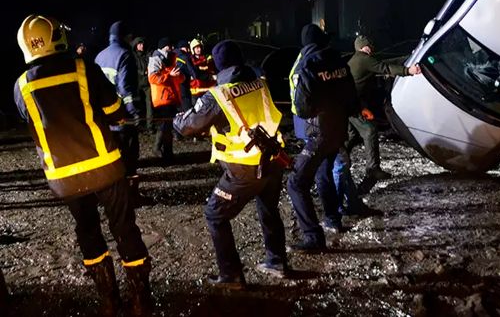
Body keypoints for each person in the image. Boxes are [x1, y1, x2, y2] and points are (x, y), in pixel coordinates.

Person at [14, 15, 152, 316]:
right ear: (55, 38)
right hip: (106, 167)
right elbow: (115, 112)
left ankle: (108, 302)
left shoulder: (21, 86)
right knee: (124, 229)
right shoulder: (82, 69)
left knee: (88, 232)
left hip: (65, 178)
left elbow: (36, 126)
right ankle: (141, 302)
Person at [174, 40, 289, 288]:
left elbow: (187, 126)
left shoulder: (219, 94)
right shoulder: (260, 84)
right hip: (272, 160)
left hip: (243, 169)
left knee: (214, 215)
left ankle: (231, 275)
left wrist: (177, 119)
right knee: (269, 209)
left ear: (218, 65)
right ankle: (277, 262)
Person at [287, 24, 360, 251]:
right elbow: (352, 97)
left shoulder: (307, 65)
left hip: (317, 132)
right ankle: (332, 219)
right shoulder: (339, 61)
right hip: (339, 129)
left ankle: (313, 238)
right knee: (323, 173)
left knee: (296, 183)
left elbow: (302, 108)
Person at [347, 35, 421, 193]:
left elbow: (384, 64)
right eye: (368, 46)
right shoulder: (364, 59)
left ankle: (333, 159)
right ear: (363, 47)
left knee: (352, 136)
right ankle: (372, 169)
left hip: (347, 103)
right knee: (370, 130)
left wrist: (405, 59)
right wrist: (409, 70)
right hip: (352, 105)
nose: (370, 49)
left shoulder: (357, 59)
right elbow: (384, 68)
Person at [95, 21, 143, 203]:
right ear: (126, 37)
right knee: (129, 157)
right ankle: (130, 197)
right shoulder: (125, 55)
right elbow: (126, 89)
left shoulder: (99, 56)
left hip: (104, 119)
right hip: (123, 118)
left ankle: (111, 195)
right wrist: (133, 113)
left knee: (111, 158)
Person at [148, 37, 184, 161]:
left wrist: (180, 77)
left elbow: (176, 77)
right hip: (162, 97)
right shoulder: (156, 59)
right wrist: (170, 75)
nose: (172, 48)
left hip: (170, 96)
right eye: (170, 45)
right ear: (165, 46)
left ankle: (167, 152)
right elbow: (152, 78)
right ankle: (159, 149)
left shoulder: (170, 58)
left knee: (168, 126)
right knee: (165, 125)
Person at [131, 36, 154, 133]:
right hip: (136, 84)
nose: (142, 46)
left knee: (149, 105)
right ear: (136, 45)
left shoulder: (148, 55)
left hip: (147, 84)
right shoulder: (132, 56)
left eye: (142, 44)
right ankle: (138, 125)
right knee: (137, 106)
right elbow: (132, 68)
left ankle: (150, 126)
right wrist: (142, 72)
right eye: (139, 44)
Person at [189, 38, 217, 104]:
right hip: (197, 90)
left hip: (210, 88)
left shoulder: (207, 58)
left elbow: (212, 70)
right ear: (193, 49)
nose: (199, 49)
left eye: (200, 47)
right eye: (196, 48)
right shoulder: (190, 61)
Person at [174, 39, 195, 112]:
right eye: (186, 48)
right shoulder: (184, 57)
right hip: (184, 83)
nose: (188, 50)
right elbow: (193, 71)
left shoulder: (173, 56)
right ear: (182, 48)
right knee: (187, 107)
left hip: (175, 86)